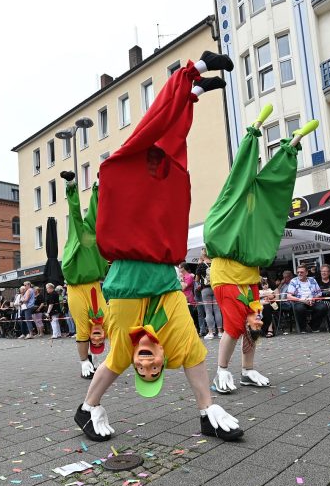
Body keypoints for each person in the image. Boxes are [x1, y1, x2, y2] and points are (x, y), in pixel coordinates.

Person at [74, 51, 244, 442]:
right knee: (125, 352)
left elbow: (160, 122)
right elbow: (171, 131)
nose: (149, 365)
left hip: (156, 280)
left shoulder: (131, 166)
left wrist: (190, 86)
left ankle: (206, 410)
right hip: (136, 283)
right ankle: (89, 406)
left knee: (184, 343)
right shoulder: (154, 168)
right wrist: (192, 87)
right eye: (154, 371)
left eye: (144, 369)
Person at [204, 102, 318, 393]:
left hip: (249, 278)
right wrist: (252, 134)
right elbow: (239, 173)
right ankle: (221, 372)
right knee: (232, 327)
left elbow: (274, 186)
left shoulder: (260, 208)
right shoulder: (230, 203)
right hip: (226, 277)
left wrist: (291, 147)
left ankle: (248, 370)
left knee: (254, 324)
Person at [59, 168, 110, 377]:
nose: (97, 338)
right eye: (100, 340)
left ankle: (90, 362)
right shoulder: (90, 236)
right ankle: (84, 363)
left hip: (90, 287)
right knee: (87, 216)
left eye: (95, 340)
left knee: (91, 325)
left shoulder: (94, 235)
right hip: (80, 287)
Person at [286, 265, 329, 332]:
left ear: (306, 273)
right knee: (300, 308)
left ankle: (313, 325)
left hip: (312, 300)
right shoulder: (293, 281)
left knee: (323, 307)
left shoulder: (312, 280)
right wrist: (302, 300)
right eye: (298, 272)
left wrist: (313, 299)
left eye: (301, 272)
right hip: (299, 301)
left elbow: (319, 293)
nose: (299, 274)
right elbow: (289, 296)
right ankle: (303, 328)